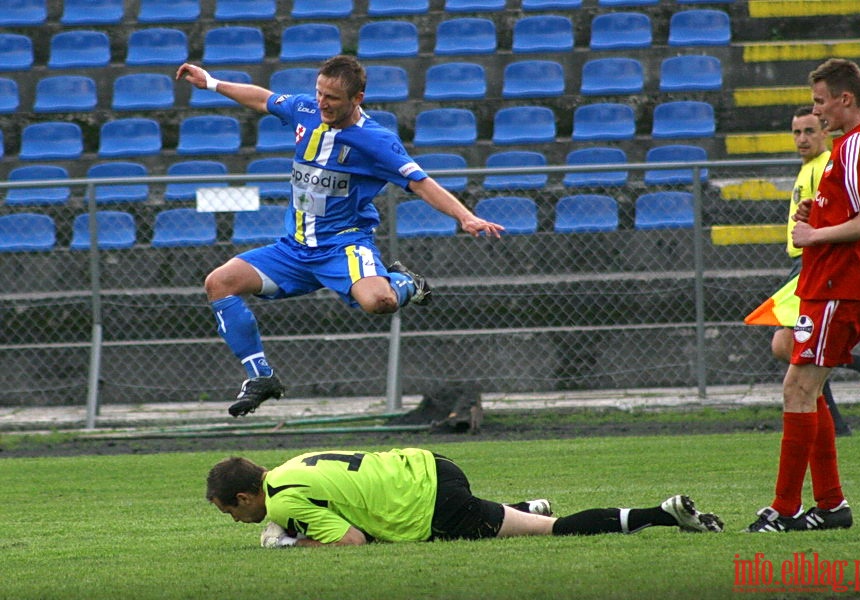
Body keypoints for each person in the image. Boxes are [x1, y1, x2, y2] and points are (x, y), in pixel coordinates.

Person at [176, 56, 504, 418]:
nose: (322, 102)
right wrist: (211, 83)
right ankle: (261, 378)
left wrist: (466, 216)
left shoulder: (375, 141)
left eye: (332, 97)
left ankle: (406, 282)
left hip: (343, 245)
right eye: (319, 93)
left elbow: (421, 182)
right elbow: (262, 98)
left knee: (379, 302)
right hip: (295, 248)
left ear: (357, 98)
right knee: (219, 283)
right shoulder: (306, 109)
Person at [745, 59, 860, 533]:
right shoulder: (848, 147)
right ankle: (829, 505)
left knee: (800, 388)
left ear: (844, 99)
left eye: (820, 101)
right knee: (802, 387)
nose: (817, 111)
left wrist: (812, 236)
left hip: (840, 285)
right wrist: (815, 214)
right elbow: (848, 211)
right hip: (825, 283)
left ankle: (787, 507)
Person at [206, 448, 724, 547]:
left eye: (231, 510)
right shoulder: (292, 466)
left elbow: (352, 541)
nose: (234, 520)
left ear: (249, 496)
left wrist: (294, 545)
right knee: (503, 518)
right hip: (431, 465)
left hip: (432, 506)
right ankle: (520, 506)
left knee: (549, 532)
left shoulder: (283, 504)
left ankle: (662, 514)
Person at [769, 107, 860, 434]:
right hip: (803, 262)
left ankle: (836, 413)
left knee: (790, 346)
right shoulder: (809, 167)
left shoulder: (827, 165)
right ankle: (837, 416)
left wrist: (813, 235)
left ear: (825, 131)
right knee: (799, 349)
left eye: (809, 131)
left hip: (817, 264)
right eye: (796, 132)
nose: (802, 139)